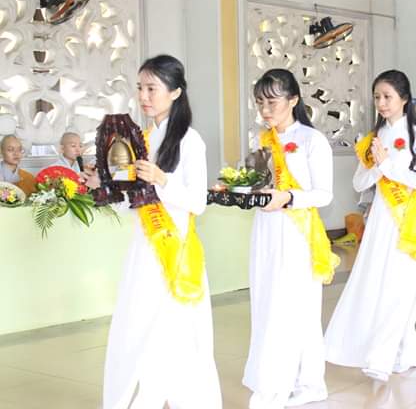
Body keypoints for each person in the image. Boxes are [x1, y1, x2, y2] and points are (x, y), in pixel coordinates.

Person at [99, 55, 222, 408]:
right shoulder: (141, 138)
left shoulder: (189, 140)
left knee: (175, 328)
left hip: (174, 248)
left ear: (176, 92)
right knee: (137, 325)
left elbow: (197, 202)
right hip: (144, 246)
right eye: (140, 87)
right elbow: (134, 201)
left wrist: (162, 179)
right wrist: (105, 187)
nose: (143, 96)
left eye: (152, 88)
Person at [325, 70, 416, 382]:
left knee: (403, 286)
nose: (382, 103)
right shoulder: (372, 139)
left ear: (404, 98)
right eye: (377, 97)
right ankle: (404, 352)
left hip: (408, 221)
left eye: (387, 96)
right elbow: (359, 182)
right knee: (379, 284)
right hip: (380, 222)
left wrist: (389, 165)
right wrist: (376, 168)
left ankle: (382, 357)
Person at [242, 68, 338, 409]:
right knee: (267, 305)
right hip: (266, 231)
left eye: (272, 102)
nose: (265, 109)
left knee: (294, 310)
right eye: (259, 102)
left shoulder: (312, 140)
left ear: (293, 100)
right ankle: (304, 383)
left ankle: (280, 388)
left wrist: (289, 198)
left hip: (298, 234)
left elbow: (324, 194)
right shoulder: (263, 140)